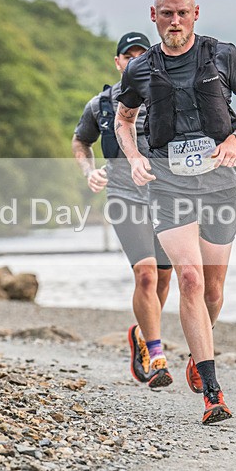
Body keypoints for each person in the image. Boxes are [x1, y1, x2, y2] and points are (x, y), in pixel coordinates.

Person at [114, 0, 236, 424]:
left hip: (219, 181)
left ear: (195, 13)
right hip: (168, 182)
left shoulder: (222, 55)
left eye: (183, 12)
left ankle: (198, 350)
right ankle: (213, 394)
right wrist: (134, 158)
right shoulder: (139, 70)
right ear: (154, 16)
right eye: (167, 13)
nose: (175, 20)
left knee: (214, 291)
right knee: (190, 279)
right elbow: (125, 121)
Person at [72, 32, 175, 388]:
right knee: (146, 274)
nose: (133, 61)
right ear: (117, 63)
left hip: (165, 196)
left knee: (164, 276)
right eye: (126, 56)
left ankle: (142, 335)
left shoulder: (167, 96)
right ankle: (157, 355)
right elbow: (80, 142)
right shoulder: (100, 104)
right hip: (123, 196)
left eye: (140, 55)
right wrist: (90, 171)